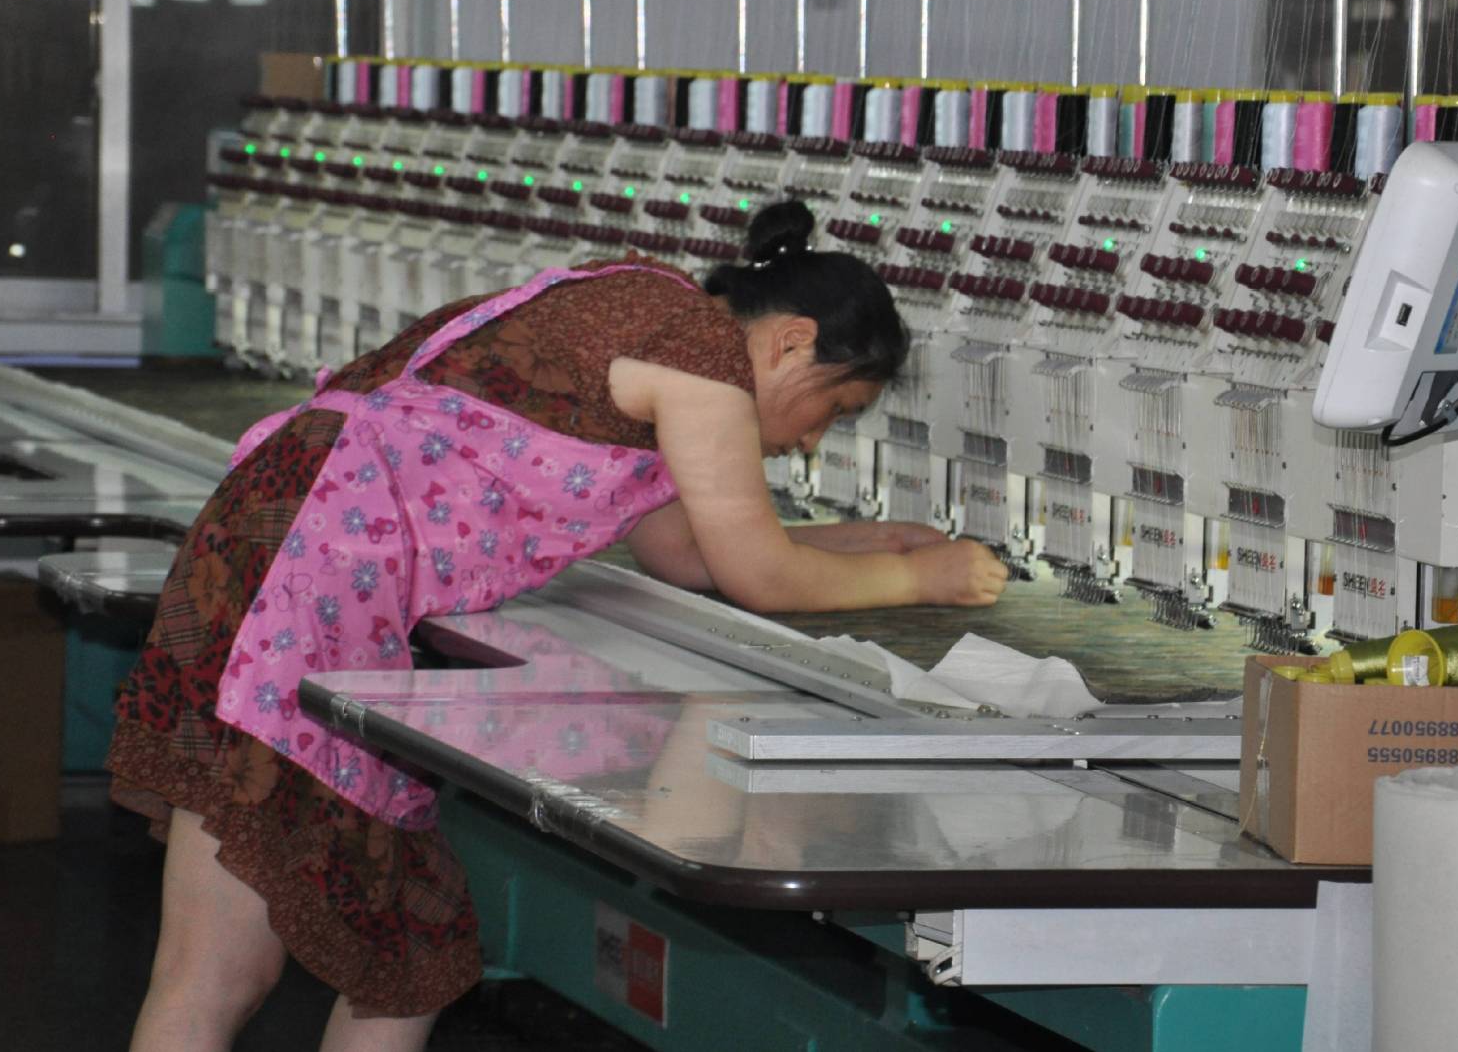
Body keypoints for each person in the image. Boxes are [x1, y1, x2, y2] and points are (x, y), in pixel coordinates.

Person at [109, 199, 1010, 1051]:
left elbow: (684, 553)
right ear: (792, 341)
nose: (812, 442)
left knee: (381, 958)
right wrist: (918, 577)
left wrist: (863, 543)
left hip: (293, 554)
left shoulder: (657, 318)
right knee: (270, 969)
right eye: (835, 411)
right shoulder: (700, 355)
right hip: (306, 582)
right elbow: (758, 573)